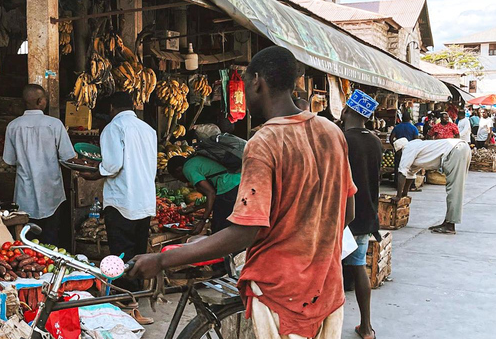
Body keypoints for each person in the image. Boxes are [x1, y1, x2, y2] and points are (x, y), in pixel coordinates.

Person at [130, 46, 356, 339]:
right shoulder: (331, 132)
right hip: (326, 289)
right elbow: (347, 212)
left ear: (257, 81)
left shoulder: (265, 141)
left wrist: (161, 260)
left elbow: (244, 233)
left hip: (281, 294)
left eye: (246, 83)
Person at [79, 91, 157, 325]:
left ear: (112, 106)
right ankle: (136, 306)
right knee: (137, 255)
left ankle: (127, 309)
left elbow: (112, 165)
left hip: (122, 201)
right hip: (143, 200)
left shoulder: (113, 128)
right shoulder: (147, 129)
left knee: (120, 258)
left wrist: (92, 172)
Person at [0, 84, 76, 246]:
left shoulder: (13, 126)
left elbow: (9, 161)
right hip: (51, 194)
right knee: (51, 241)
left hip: (24, 195)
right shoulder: (54, 124)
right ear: (41, 101)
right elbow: (68, 157)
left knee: (26, 242)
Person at [340, 92, 382, 339]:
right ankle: (366, 327)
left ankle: (326, 325)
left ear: (346, 111)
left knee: (331, 270)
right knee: (358, 267)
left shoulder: (342, 140)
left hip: (342, 215)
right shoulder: (375, 140)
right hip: (366, 214)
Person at [395, 137, 471, 234]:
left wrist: (398, 196)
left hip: (455, 150)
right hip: (458, 148)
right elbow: (410, 175)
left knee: (454, 189)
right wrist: (404, 194)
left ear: (400, 151)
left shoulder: (408, 149)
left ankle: (450, 225)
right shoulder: (415, 148)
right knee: (454, 188)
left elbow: (402, 173)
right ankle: (448, 221)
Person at [166, 154, 240, 235]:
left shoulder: (187, 169)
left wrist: (202, 221)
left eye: (177, 177)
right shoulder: (193, 161)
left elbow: (211, 194)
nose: (180, 180)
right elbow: (213, 198)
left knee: (220, 228)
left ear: (178, 170)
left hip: (229, 185)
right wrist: (195, 208)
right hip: (237, 183)